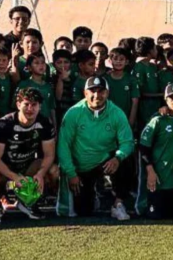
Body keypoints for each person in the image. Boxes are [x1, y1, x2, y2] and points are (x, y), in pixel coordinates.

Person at [56, 76, 135, 220]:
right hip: (82, 166)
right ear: (85, 93)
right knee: (84, 210)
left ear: (107, 93)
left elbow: (128, 142)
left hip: (106, 160)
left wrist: (118, 157)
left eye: (101, 91)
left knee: (127, 160)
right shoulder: (73, 113)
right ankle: (93, 196)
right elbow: (63, 146)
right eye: (92, 91)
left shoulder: (116, 113)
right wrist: (72, 173)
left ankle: (118, 204)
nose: (97, 95)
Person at [0, 87, 57, 223]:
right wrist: (14, 177)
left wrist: (40, 174)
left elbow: (49, 154)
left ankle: (28, 201)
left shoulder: (45, 123)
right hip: (5, 168)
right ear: (18, 105)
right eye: (26, 104)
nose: (30, 109)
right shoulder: (4, 124)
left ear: (40, 106)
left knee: (53, 170)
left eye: (34, 105)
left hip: (27, 165)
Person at [140, 83, 173, 220]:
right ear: (166, 99)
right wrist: (150, 170)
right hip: (159, 179)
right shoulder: (157, 120)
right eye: (172, 98)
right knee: (157, 216)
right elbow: (144, 147)